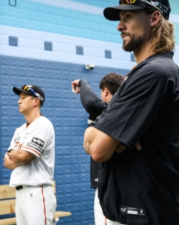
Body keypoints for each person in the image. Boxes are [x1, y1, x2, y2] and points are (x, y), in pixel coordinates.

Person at [83, 0, 179, 224]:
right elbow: (94, 140)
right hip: (138, 211)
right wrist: (103, 134)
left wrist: (102, 134)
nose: (119, 26)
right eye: (120, 19)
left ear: (154, 19)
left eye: (128, 17)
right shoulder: (143, 73)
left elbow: (97, 149)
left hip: (150, 213)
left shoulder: (155, 72)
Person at [72, 73, 124, 225]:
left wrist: (82, 83)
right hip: (119, 185)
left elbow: (91, 103)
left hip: (109, 186)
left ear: (106, 92)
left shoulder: (113, 110)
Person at [4, 84, 56, 225]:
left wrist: (14, 153)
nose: (18, 101)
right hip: (21, 192)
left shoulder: (43, 124)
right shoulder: (19, 130)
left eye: (24, 97)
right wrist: (17, 155)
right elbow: (7, 162)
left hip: (37, 193)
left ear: (36, 101)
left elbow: (22, 157)